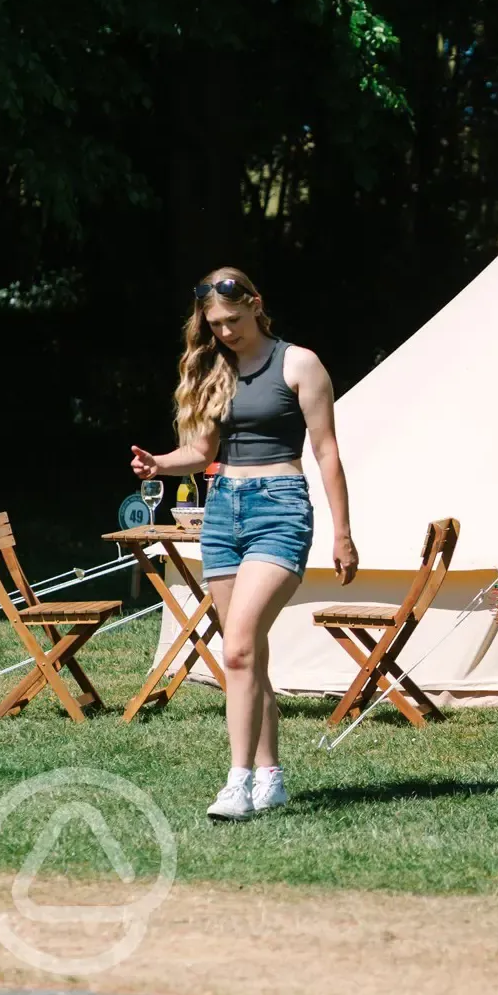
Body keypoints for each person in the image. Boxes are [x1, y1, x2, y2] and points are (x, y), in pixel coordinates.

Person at [130, 268, 358, 820]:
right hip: (222, 511)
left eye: (234, 320)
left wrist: (343, 533)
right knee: (246, 654)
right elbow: (202, 448)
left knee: (235, 648)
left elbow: (326, 452)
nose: (227, 332)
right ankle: (271, 776)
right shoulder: (214, 369)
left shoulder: (298, 363)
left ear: (256, 305)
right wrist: (161, 462)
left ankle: (237, 782)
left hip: (280, 509)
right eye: (216, 324)